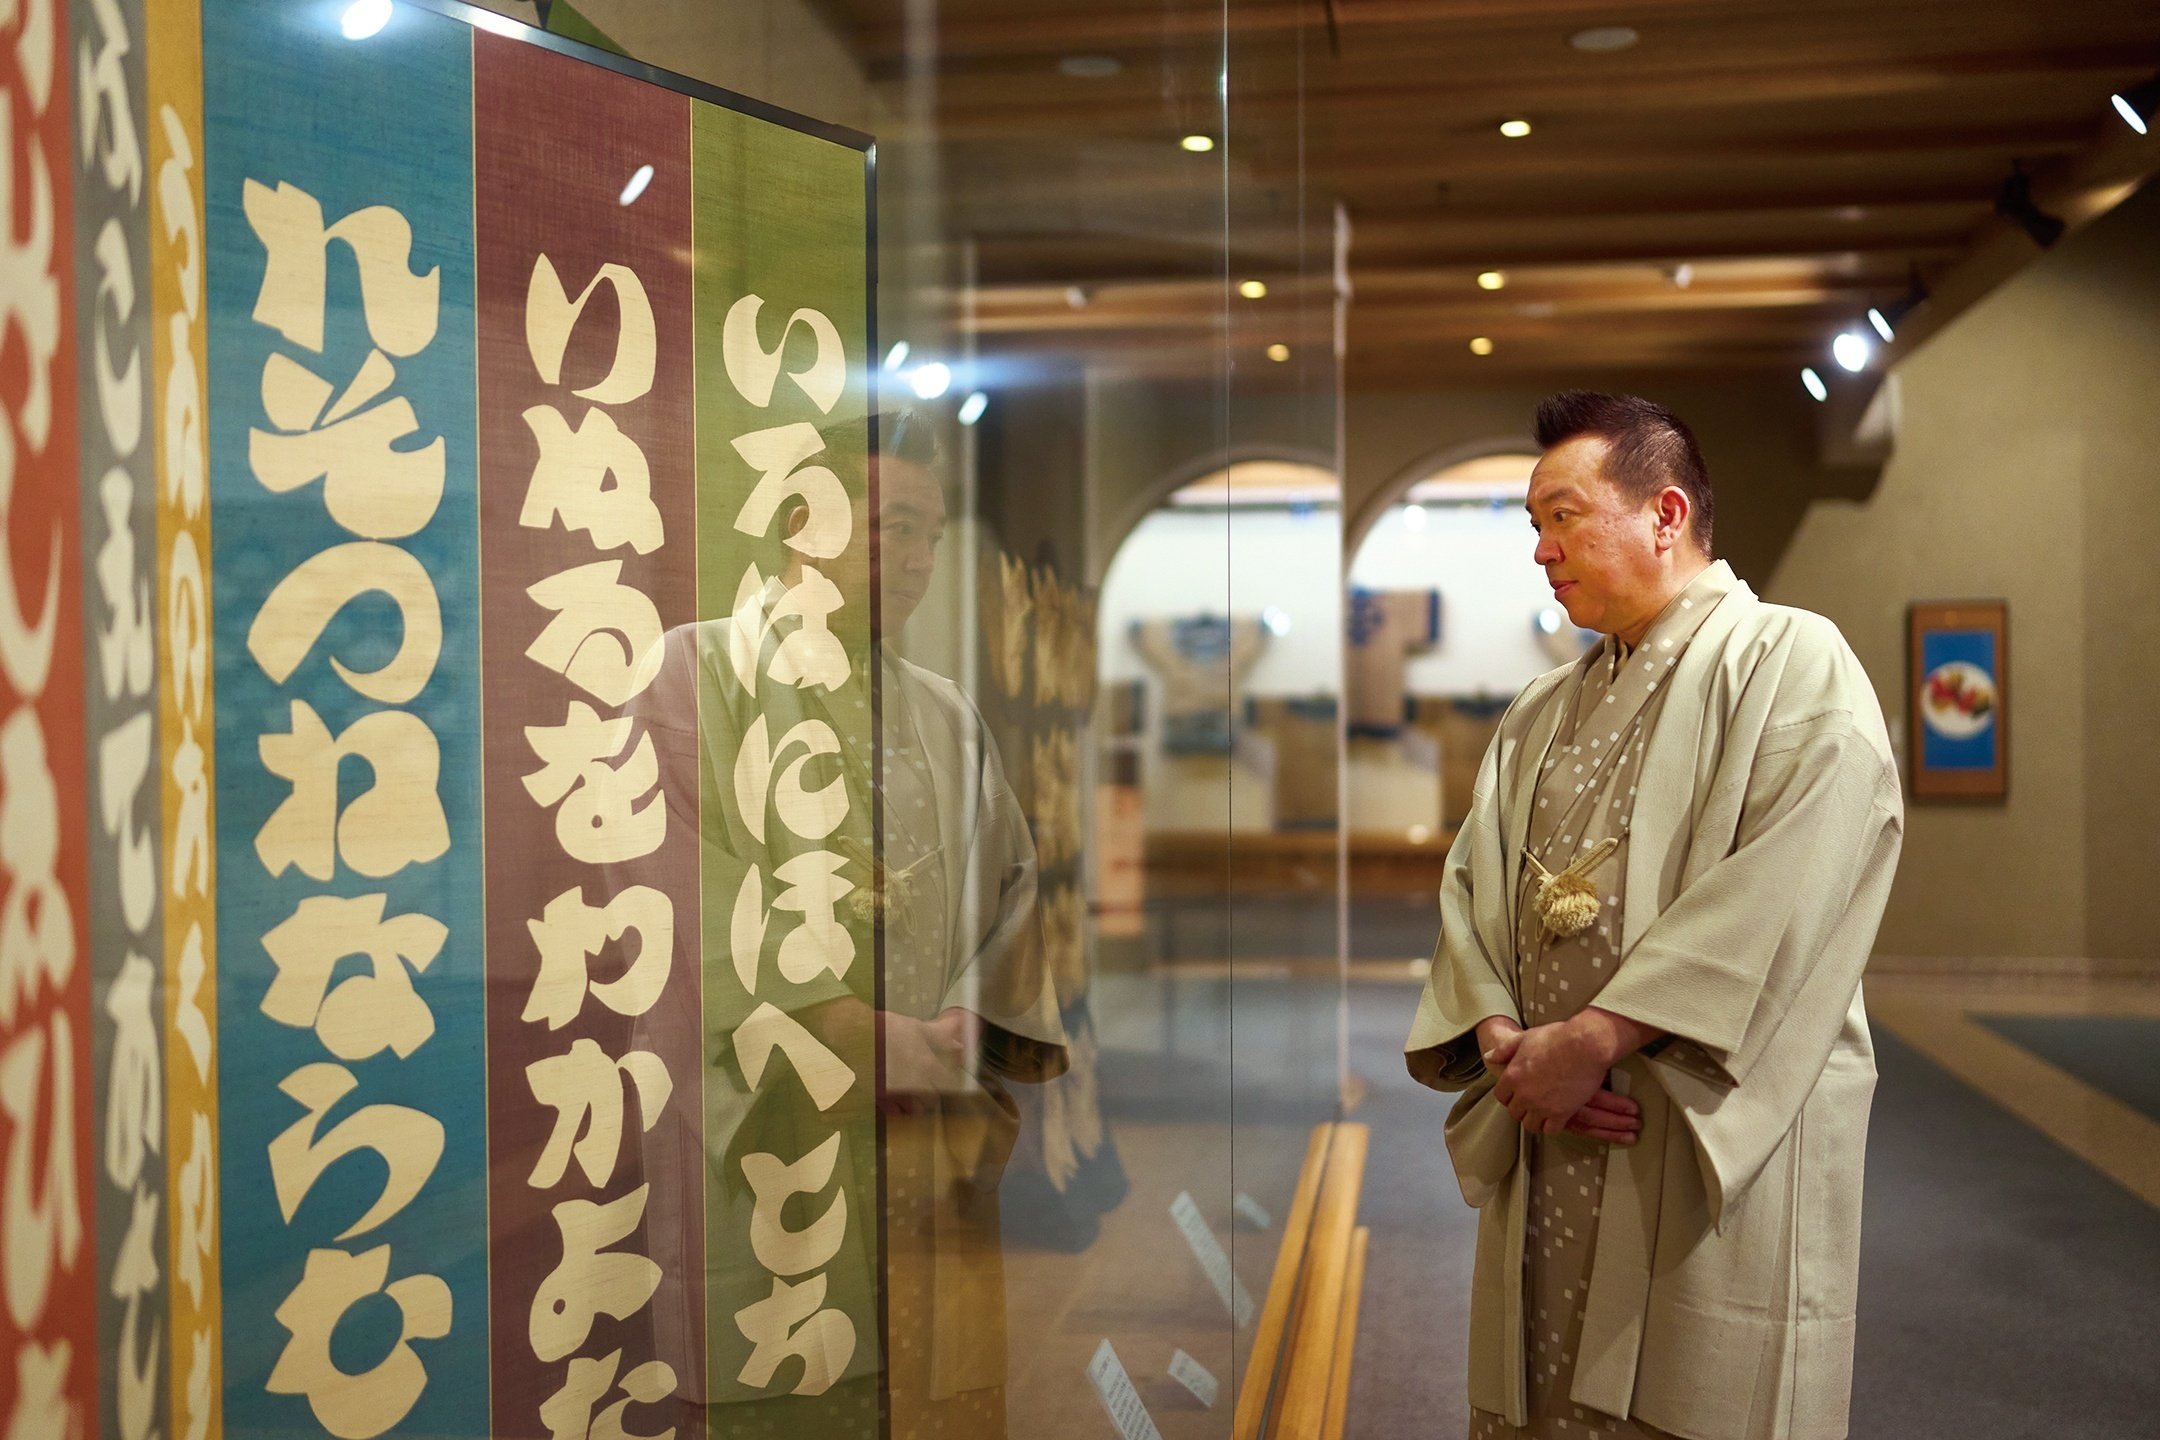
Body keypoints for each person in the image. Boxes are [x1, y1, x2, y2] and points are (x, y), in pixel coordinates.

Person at [1403, 392, 1904, 1440]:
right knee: (1543, 1378)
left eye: (1564, 517)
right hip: (1551, 1114)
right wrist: (1508, 1046)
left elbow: (1790, 887)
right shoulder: (1541, 709)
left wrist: (1596, 1038)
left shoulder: (1789, 660)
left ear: (1666, 514)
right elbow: (1472, 887)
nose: (1541, 550)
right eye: (1534, 524)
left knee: (1695, 1388)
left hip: (1677, 1116)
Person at [631, 412, 1066, 1438]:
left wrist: (961, 1027)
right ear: (800, 519)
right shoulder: (694, 671)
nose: (918, 561)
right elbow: (676, 891)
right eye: (894, 526)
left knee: (935, 1390)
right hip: (778, 1115)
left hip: (930, 1123)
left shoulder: (944, 709)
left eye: (931, 534)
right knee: (787, 1380)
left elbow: (1013, 891)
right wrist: (856, 1036)